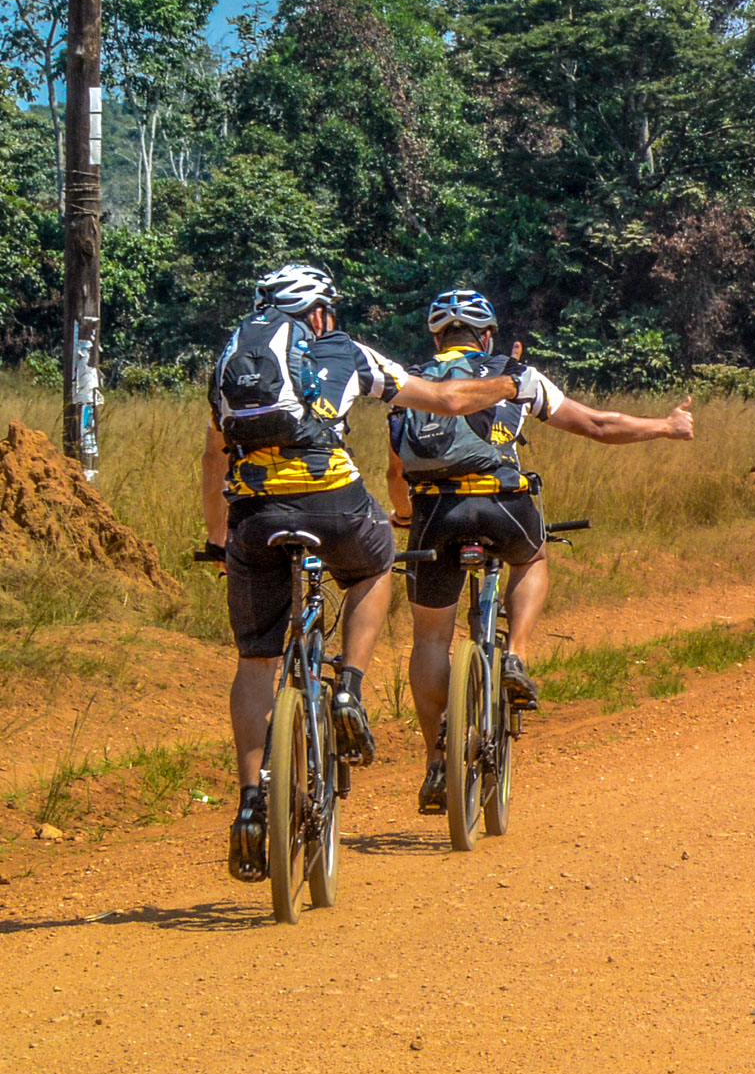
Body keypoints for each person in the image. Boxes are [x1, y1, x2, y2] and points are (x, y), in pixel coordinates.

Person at [203, 264, 534, 883]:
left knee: (255, 662)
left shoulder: (228, 363)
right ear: (320, 312)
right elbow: (448, 400)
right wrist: (506, 387)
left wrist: (219, 540)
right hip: (334, 503)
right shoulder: (346, 352)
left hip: (252, 514)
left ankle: (251, 806)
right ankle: (350, 688)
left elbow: (212, 455)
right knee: (376, 563)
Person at [389, 288, 696, 814]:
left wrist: (402, 516)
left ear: (436, 336)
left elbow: (397, 470)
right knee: (531, 558)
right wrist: (667, 427)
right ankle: (516, 654)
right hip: (504, 507)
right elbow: (598, 425)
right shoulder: (513, 373)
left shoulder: (408, 380)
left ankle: (436, 764)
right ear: (487, 335)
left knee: (431, 639)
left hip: (434, 515)